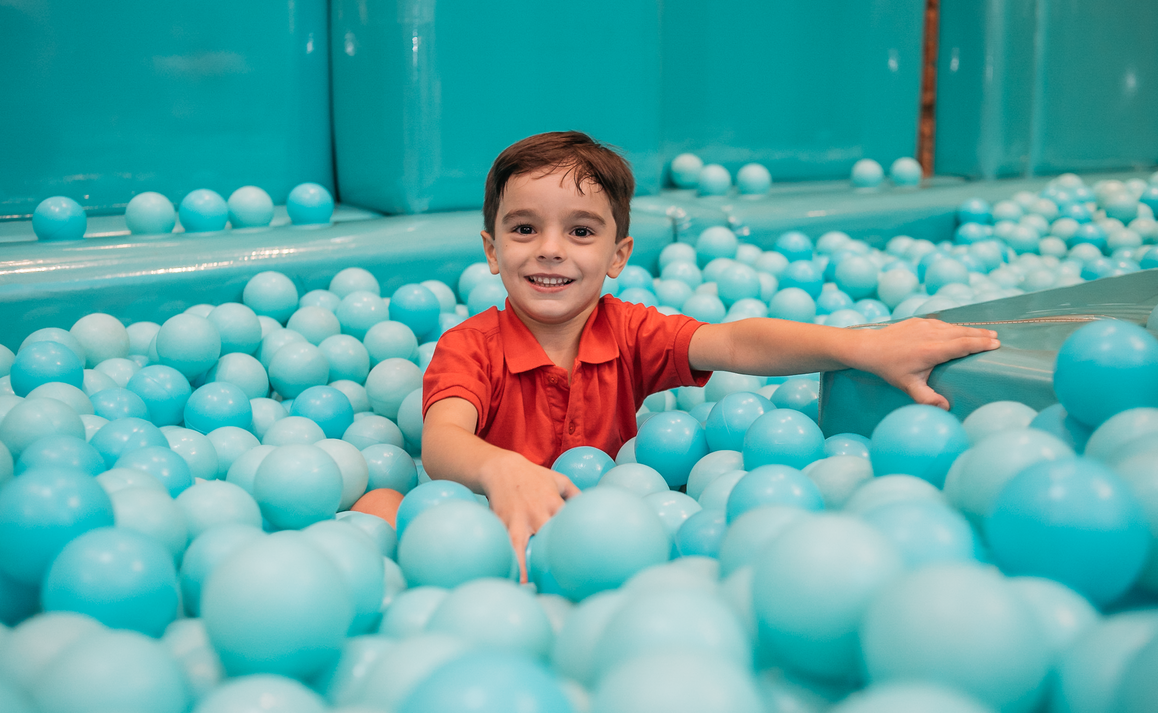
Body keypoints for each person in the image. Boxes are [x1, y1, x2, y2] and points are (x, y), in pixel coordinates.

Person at [421, 131, 999, 575]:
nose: (550, 251)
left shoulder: (627, 331)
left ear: (617, 256)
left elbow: (737, 340)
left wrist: (864, 347)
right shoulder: (470, 347)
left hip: (621, 529)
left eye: (580, 232)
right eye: (524, 229)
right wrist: (502, 470)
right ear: (492, 250)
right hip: (494, 531)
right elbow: (443, 441)